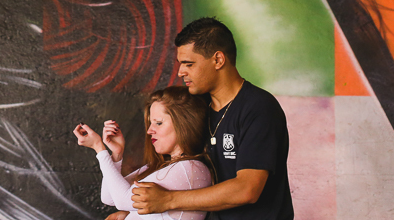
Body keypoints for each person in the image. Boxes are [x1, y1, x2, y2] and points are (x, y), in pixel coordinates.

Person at [130, 18, 293, 220]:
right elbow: (174, 169)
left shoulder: (259, 108)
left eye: (188, 64)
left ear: (218, 60)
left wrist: (168, 200)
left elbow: (247, 189)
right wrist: (133, 211)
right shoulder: (196, 107)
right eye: (180, 64)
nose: (181, 72)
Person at [74, 87, 213, 220]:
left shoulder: (190, 168)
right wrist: (116, 154)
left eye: (158, 123)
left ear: (184, 124)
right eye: (150, 123)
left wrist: (99, 148)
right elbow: (109, 197)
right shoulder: (163, 167)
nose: (149, 131)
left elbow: (122, 200)